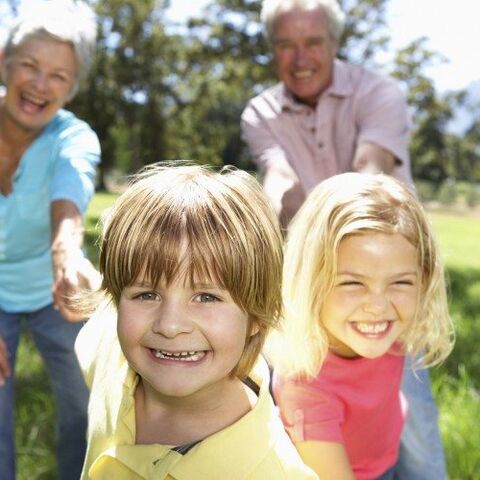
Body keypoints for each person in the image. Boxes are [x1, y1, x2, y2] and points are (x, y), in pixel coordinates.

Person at [241, 2, 447, 478]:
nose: (300, 57)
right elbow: (277, 175)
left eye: (313, 42)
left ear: (335, 44)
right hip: (328, 289)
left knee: (412, 421)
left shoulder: (380, 93)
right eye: (286, 45)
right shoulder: (261, 112)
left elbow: (372, 165)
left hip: (384, 261)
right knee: (323, 411)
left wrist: (353, 218)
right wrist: (262, 223)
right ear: (272, 50)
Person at [74, 164, 317, 479]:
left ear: (258, 315)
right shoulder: (112, 352)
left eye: (206, 297)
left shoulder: (274, 472)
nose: (170, 325)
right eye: (147, 295)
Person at [267, 172, 454, 480]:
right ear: (311, 281)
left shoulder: (392, 331)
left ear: (423, 278)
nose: (378, 307)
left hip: (386, 462)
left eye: (400, 282)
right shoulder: (305, 385)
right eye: (353, 283)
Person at [0, 1, 100, 478]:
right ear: (4, 63)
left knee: (85, 403)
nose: (41, 85)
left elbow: (69, 192)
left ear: (72, 88)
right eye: (30, 66)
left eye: (59, 75)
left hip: (49, 290)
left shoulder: (74, 137)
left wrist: (67, 254)